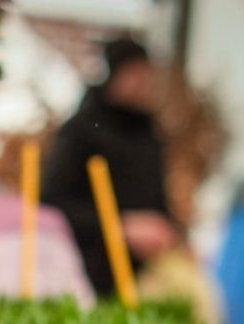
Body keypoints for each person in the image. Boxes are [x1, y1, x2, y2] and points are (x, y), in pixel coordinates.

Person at [42, 39, 178, 298]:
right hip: (83, 273)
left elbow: (158, 202)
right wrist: (120, 226)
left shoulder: (149, 134)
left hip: (140, 277)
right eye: (135, 73)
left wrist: (175, 236)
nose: (143, 82)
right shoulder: (82, 131)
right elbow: (54, 201)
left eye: (146, 73)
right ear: (114, 74)